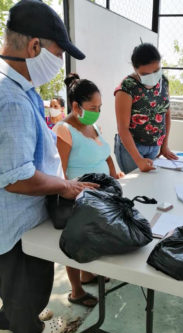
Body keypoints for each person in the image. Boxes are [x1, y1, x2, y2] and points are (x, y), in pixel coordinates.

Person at [0, 0, 97, 333]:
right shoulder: (9, 98)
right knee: (30, 285)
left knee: (12, 285)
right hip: (16, 220)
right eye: (58, 53)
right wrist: (65, 185)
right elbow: (17, 178)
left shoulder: (19, 88)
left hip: (12, 219)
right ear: (35, 47)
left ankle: (11, 319)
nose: (59, 63)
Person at [54, 73, 124, 307]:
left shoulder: (92, 124)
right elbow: (59, 170)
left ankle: (87, 274)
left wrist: (114, 173)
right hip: (79, 198)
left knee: (94, 238)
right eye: (93, 107)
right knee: (75, 241)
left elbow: (105, 153)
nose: (97, 111)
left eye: (100, 106)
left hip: (102, 195)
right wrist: (68, 191)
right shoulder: (64, 129)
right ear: (76, 106)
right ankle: (76, 291)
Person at [114, 43, 178, 174]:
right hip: (132, 149)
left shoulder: (163, 82)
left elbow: (166, 114)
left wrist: (164, 146)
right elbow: (122, 128)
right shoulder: (127, 87)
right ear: (134, 68)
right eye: (145, 73)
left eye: (156, 71)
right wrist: (138, 160)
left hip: (155, 147)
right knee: (136, 189)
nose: (152, 76)